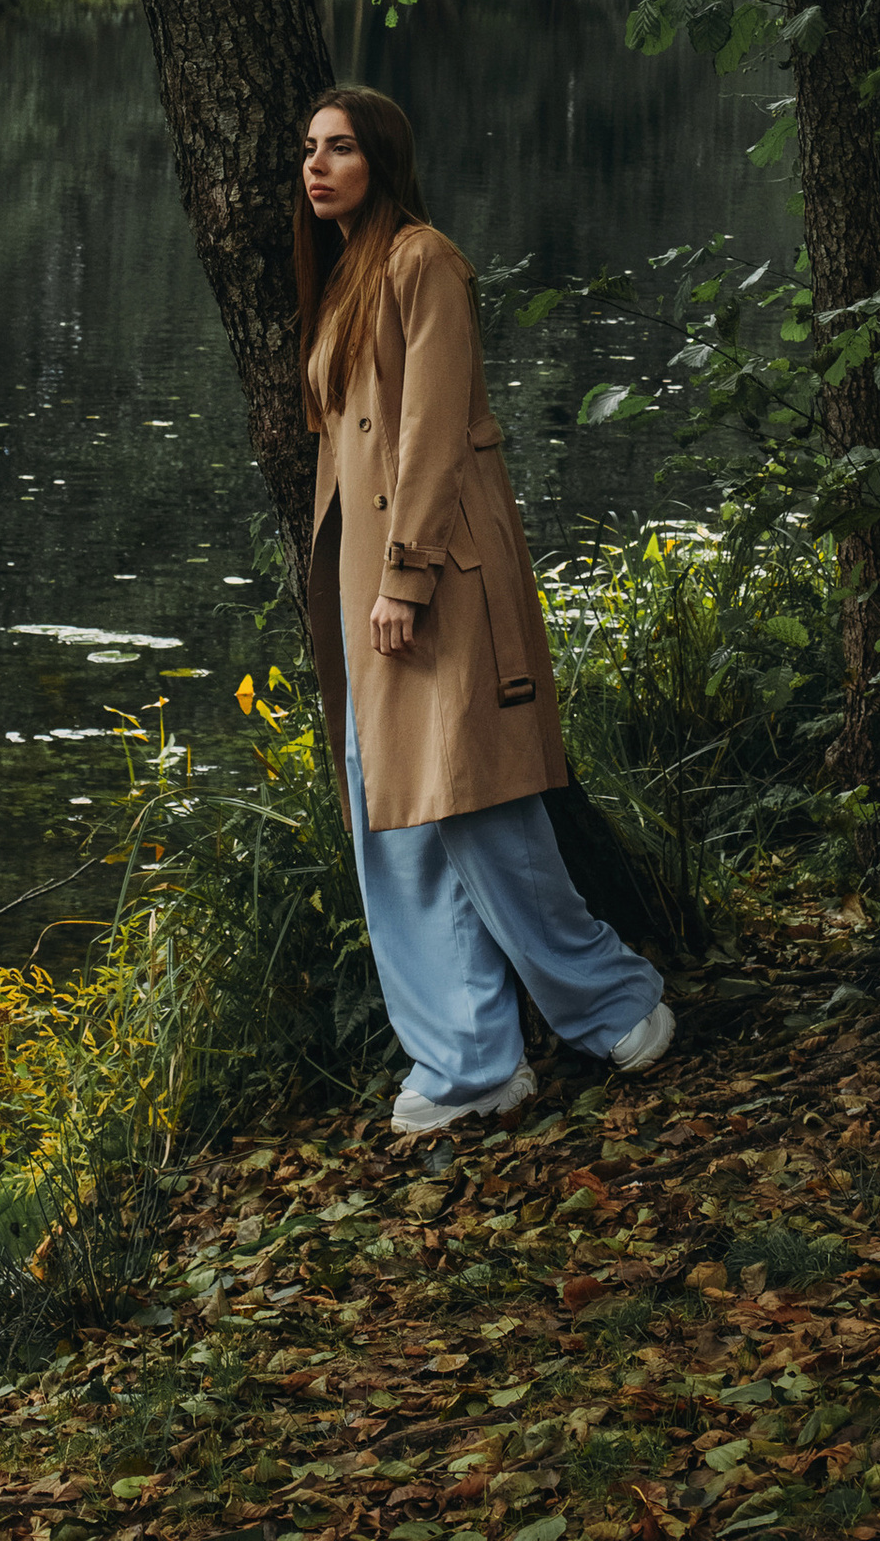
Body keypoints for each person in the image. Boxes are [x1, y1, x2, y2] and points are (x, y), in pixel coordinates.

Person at [298, 83, 676, 1134]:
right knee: (400, 830)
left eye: (339, 149)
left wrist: (404, 580)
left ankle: (616, 1002)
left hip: (433, 584)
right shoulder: (342, 278)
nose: (316, 167)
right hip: (364, 594)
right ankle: (469, 1064)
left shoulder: (424, 262)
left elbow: (432, 435)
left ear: (383, 159)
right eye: (309, 150)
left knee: (482, 809)